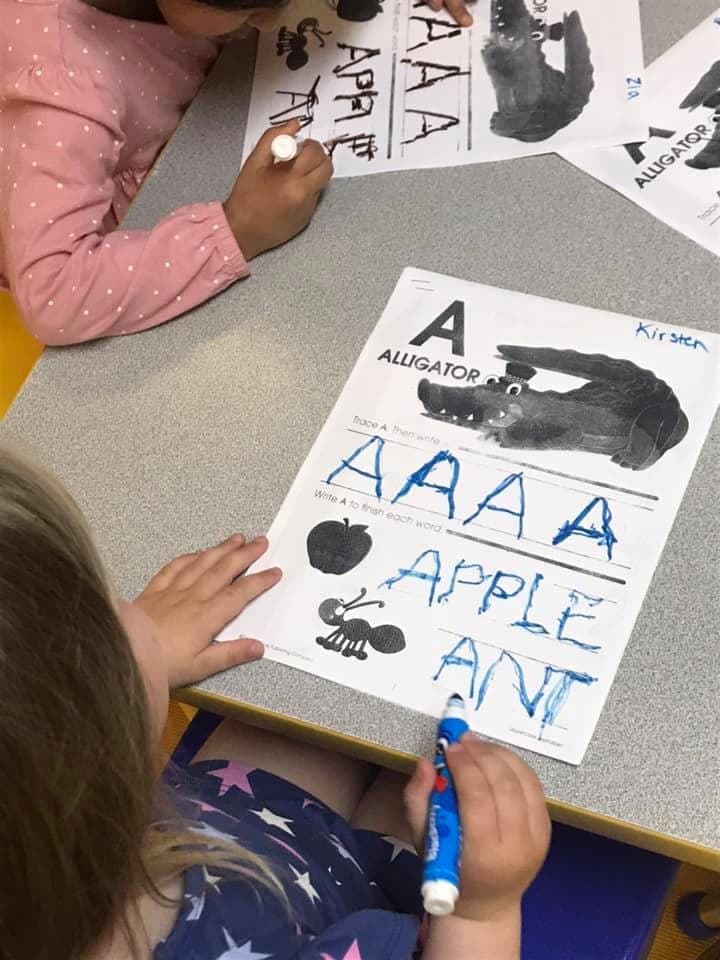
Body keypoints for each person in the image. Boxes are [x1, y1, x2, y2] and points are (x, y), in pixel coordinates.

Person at [0, 444, 550, 960]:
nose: (127, 606)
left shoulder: (37, 848)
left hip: (241, 821)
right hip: (383, 919)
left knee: (351, 712)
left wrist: (143, 667)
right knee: (467, 759)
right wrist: (484, 913)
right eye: (98, 611)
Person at [0, 0, 472, 348]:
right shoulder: (64, 90)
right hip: (99, 221)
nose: (271, 20)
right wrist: (238, 228)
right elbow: (55, 295)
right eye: (257, 7)